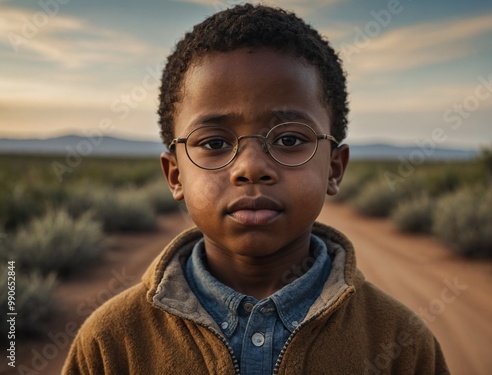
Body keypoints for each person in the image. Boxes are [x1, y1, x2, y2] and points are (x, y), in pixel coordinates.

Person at [63, 3, 449, 374]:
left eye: (289, 140)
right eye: (214, 143)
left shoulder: (401, 342)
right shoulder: (111, 342)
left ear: (334, 167)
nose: (250, 168)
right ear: (175, 175)